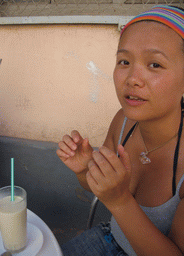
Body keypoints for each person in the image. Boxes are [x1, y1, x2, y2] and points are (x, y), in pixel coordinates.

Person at [56, 5, 184, 255]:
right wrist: (85, 170)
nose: (132, 78)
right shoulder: (123, 122)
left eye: (155, 65)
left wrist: (120, 202)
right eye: (124, 61)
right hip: (108, 238)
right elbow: (99, 188)